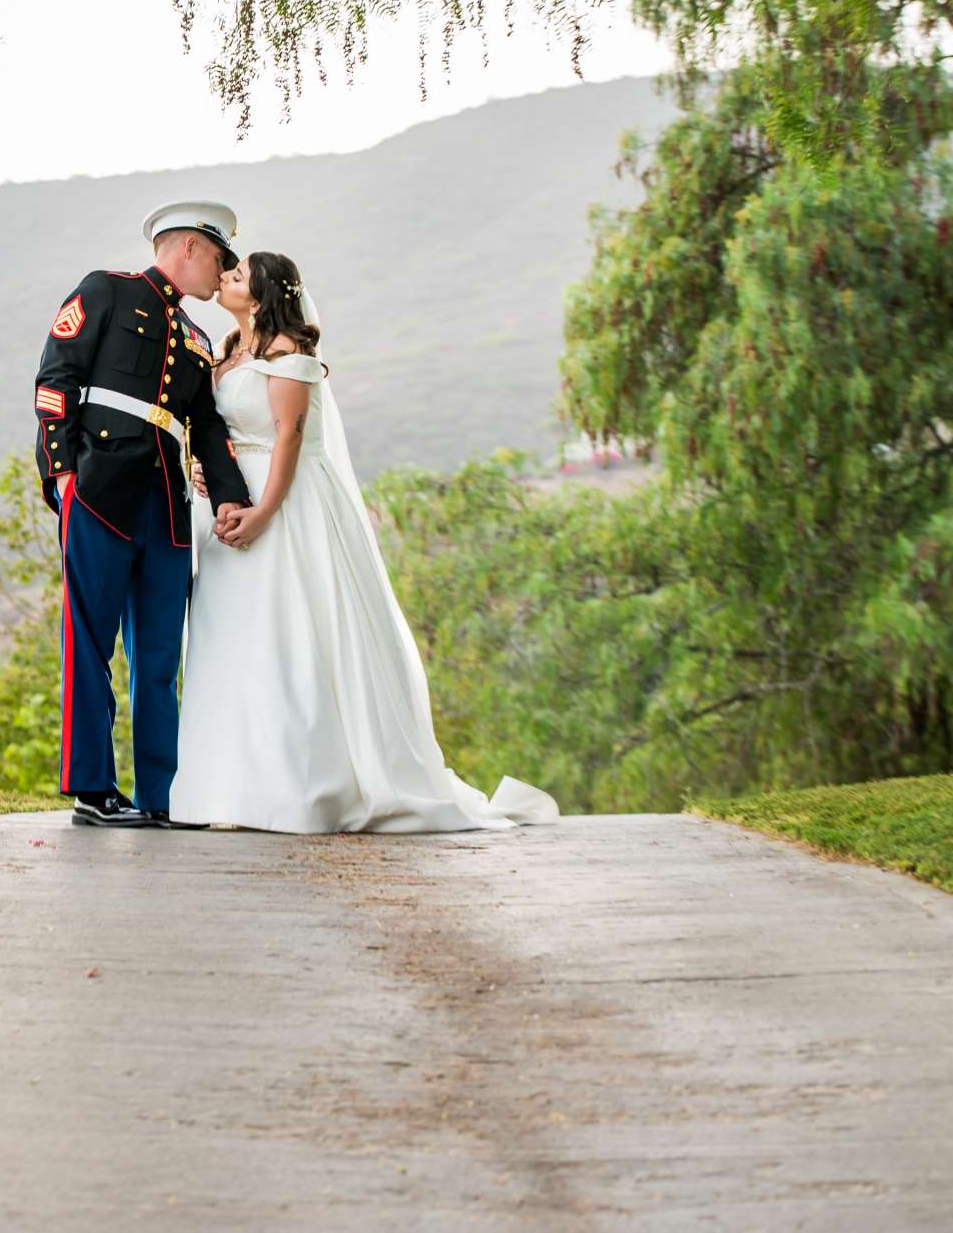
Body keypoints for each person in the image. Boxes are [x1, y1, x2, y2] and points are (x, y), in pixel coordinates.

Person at [170, 250, 560, 834]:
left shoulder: (289, 355)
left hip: (286, 505)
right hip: (225, 511)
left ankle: (308, 785)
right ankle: (232, 788)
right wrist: (208, 474)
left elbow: (288, 438)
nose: (225, 277)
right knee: (232, 637)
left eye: (238, 273)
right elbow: (220, 435)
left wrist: (265, 512)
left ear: (264, 292)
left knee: (292, 632)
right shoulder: (227, 355)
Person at [33, 201, 253, 828]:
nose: (222, 272)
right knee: (91, 642)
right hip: (100, 492)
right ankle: (93, 787)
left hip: (168, 507)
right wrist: (62, 471)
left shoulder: (198, 338)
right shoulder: (105, 291)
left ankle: (163, 795)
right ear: (186, 247)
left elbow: (206, 425)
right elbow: (56, 379)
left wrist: (230, 496)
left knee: (159, 658)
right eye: (218, 257)